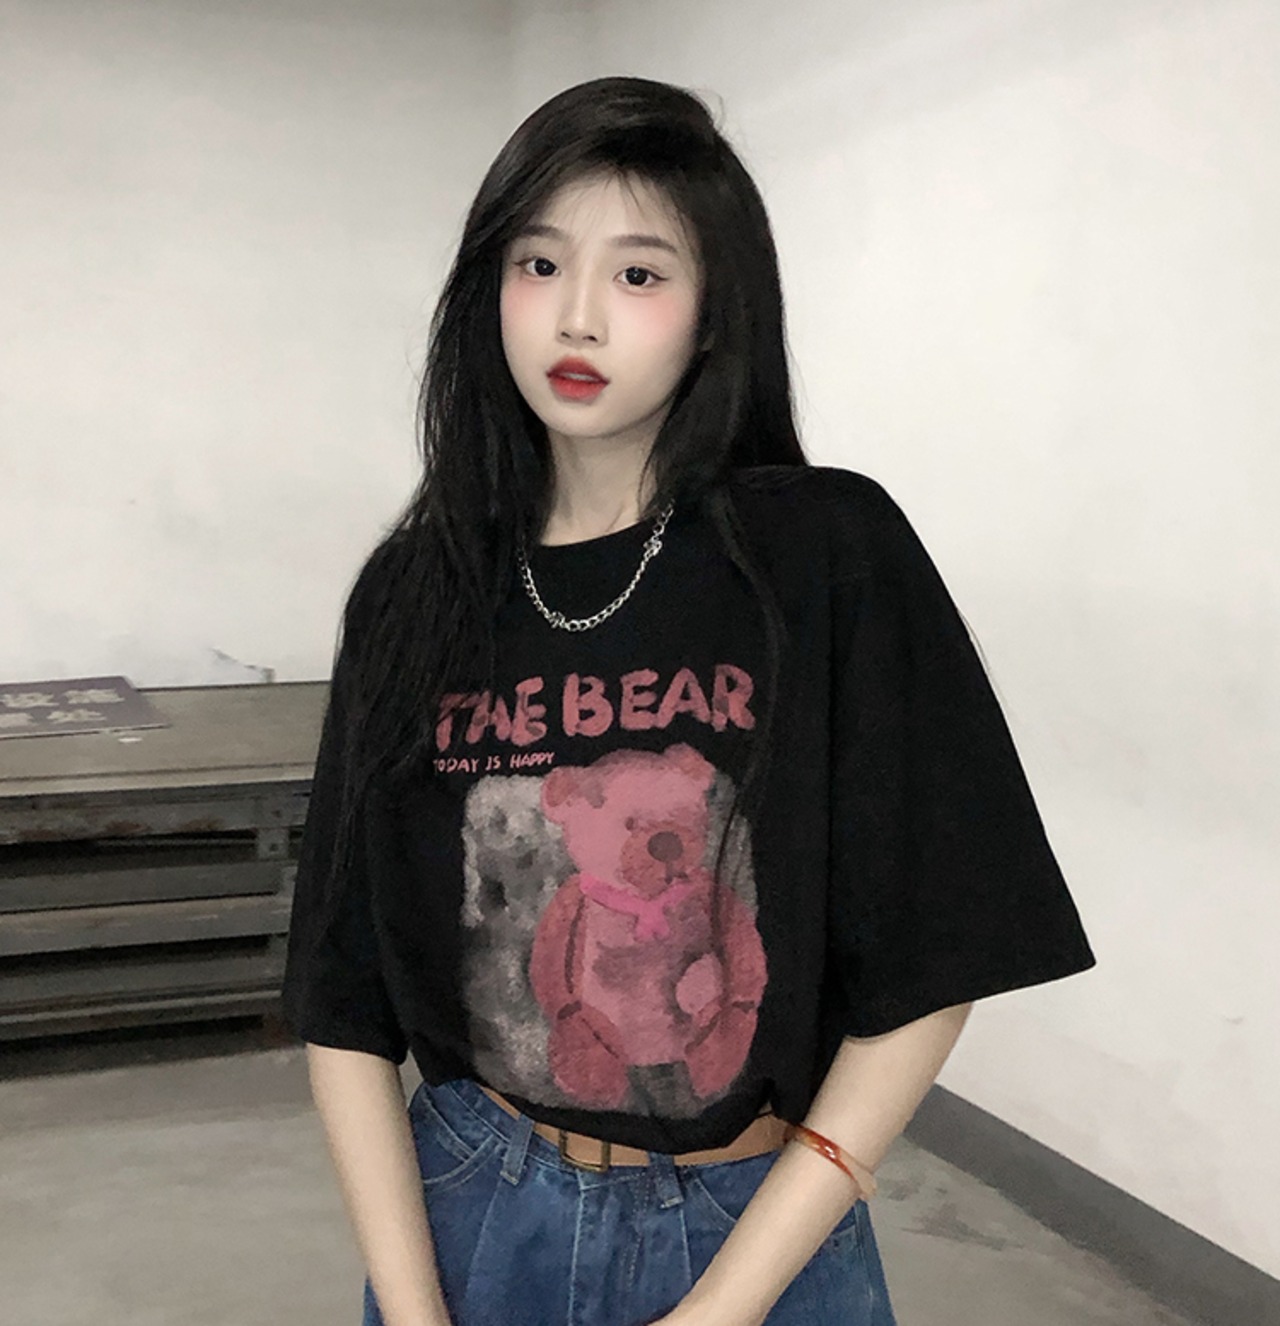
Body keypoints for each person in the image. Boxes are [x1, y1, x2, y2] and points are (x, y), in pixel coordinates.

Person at [280, 76, 1096, 1326]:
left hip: (753, 1219)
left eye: (638, 274)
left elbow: (938, 953)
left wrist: (722, 1307)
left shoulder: (822, 553)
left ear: (715, 313)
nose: (578, 316)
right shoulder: (413, 592)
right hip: (474, 1207)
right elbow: (343, 998)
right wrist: (412, 1307)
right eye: (538, 264)